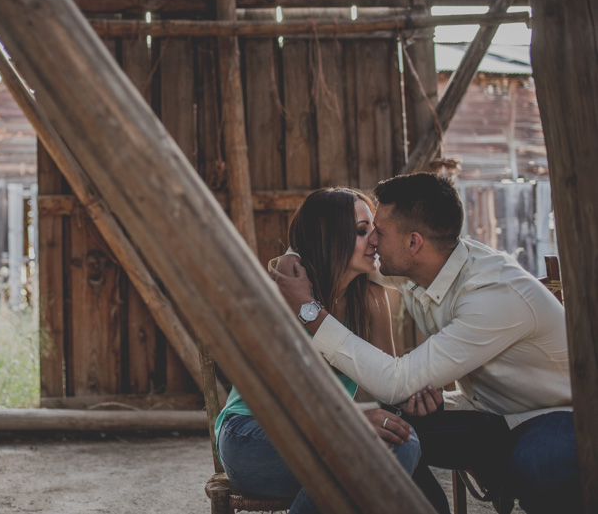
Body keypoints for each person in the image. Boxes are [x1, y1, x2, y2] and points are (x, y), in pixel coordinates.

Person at [270, 173, 581, 514]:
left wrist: (310, 312)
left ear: (413, 243)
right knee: (394, 430)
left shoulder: (493, 294)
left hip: (562, 415)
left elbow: (394, 380)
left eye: (379, 231)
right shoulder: (417, 266)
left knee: (537, 463)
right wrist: (288, 259)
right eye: (367, 229)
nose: (372, 239)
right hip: (493, 413)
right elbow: (327, 244)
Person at [215, 188, 422, 514]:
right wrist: (351, 425)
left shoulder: (372, 300)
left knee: (404, 443)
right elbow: (281, 401)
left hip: (329, 442)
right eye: (360, 230)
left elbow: (388, 386)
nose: (374, 240)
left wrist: (416, 391)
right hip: (254, 436)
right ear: (329, 237)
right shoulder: (286, 296)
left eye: (373, 229)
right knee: (372, 466)